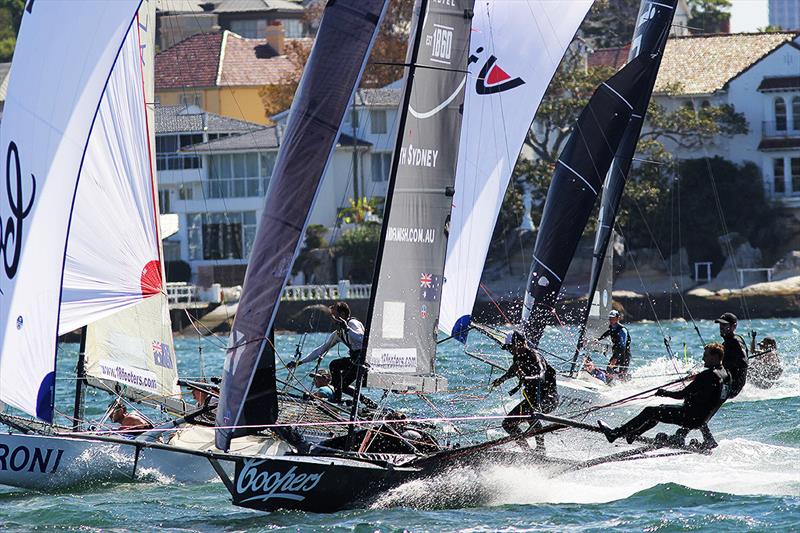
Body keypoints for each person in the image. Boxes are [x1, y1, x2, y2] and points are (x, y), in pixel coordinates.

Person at [598, 342, 730, 448]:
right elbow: (713, 395)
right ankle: (634, 434)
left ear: (715, 357)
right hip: (702, 419)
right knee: (659, 409)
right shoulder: (726, 375)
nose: (702, 358)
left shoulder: (707, 375)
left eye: (706, 355)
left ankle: (614, 434)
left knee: (650, 411)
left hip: (690, 417)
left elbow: (681, 394)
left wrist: (663, 392)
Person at [491, 330, 559, 452]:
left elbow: (541, 375)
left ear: (521, 343)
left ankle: (541, 449)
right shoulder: (518, 357)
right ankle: (527, 451)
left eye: (511, 347)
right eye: (508, 348)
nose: (510, 350)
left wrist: (526, 378)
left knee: (530, 412)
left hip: (548, 398)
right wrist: (500, 380)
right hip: (532, 401)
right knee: (507, 424)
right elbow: (512, 371)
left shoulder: (535, 356)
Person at [286, 301, 364, 402]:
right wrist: (300, 362)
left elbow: (362, 338)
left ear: (342, 315)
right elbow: (321, 349)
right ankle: (367, 402)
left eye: (334, 315)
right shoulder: (338, 334)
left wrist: (347, 328)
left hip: (365, 360)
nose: (332, 319)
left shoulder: (352, 323)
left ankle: (336, 399)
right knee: (341, 385)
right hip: (355, 361)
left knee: (334, 365)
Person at [715, 312, 748, 397]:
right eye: (720, 324)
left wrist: (721, 365)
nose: (721, 327)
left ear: (734, 326)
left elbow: (744, 362)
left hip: (733, 387)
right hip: (726, 382)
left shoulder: (735, 341)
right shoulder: (727, 342)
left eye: (725, 324)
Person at [598, 310, 632, 380]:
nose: (611, 320)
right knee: (609, 368)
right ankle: (611, 384)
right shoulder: (612, 327)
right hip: (617, 353)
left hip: (624, 355)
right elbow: (608, 332)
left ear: (617, 318)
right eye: (610, 318)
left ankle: (624, 383)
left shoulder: (622, 330)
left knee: (621, 373)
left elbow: (622, 346)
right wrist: (599, 339)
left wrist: (615, 358)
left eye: (613, 318)